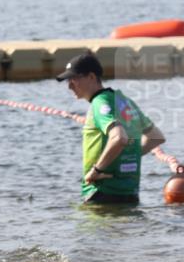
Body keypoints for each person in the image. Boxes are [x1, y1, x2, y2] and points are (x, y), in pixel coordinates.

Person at [56, 53, 166, 205]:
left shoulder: (100, 103)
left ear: (91, 77)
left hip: (102, 192)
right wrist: (124, 160)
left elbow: (119, 138)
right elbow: (156, 137)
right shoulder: (125, 101)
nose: (69, 85)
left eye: (74, 79)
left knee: (90, 227)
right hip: (130, 193)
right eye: (68, 80)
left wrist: (97, 170)